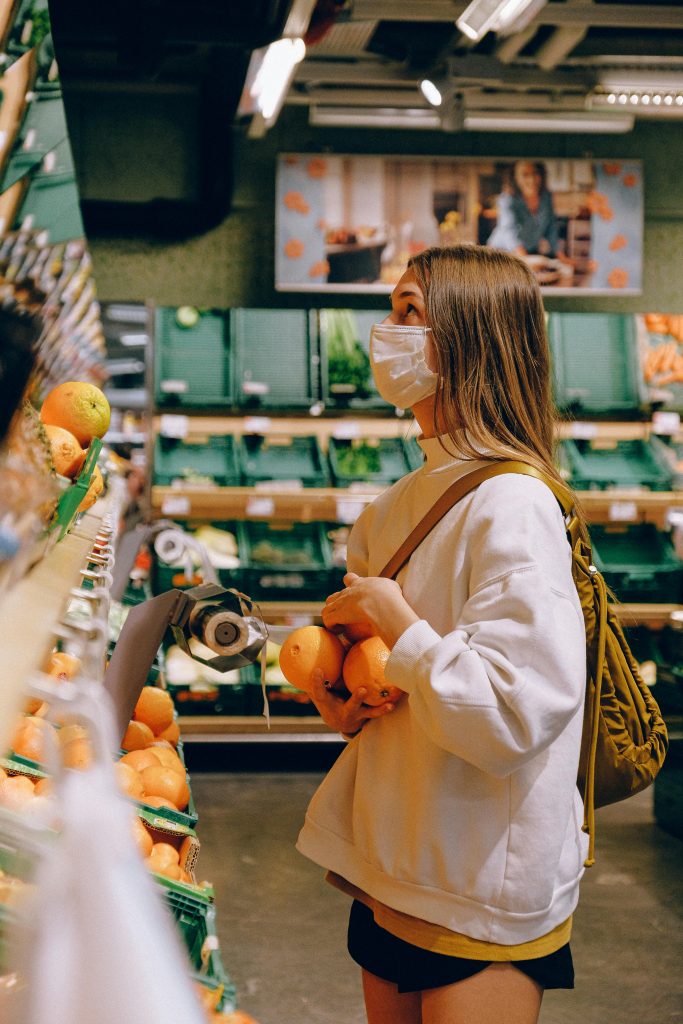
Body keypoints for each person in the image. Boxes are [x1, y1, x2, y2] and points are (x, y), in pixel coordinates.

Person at [296, 244, 588, 1024]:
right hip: (391, 858)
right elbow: (394, 670)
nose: (384, 331)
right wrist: (343, 689)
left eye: (407, 312)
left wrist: (399, 621)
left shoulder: (512, 506)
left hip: (477, 880)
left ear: (467, 338)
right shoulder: (392, 505)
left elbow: (519, 711)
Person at [486, 161, 561, 259]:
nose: (532, 180)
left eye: (535, 173)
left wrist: (561, 256)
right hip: (500, 253)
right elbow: (509, 231)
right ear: (515, 178)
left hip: (527, 253)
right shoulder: (507, 199)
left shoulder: (546, 197)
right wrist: (524, 260)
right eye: (525, 175)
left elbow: (551, 228)